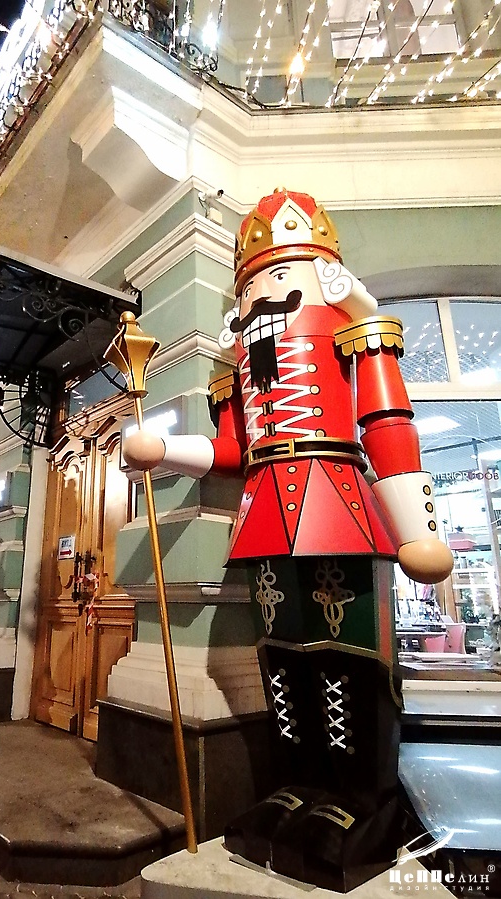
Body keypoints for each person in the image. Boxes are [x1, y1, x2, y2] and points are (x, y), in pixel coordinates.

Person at [122, 188, 453, 892]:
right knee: (284, 658)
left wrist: (418, 531)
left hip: (340, 505)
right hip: (267, 511)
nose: (263, 295)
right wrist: (164, 449)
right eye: (251, 283)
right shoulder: (237, 365)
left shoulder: (359, 335)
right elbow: (233, 449)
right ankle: (300, 784)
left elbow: (387, 423)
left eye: (278, 275)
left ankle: (364, 798)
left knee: (348, 658)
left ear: (324, 273)